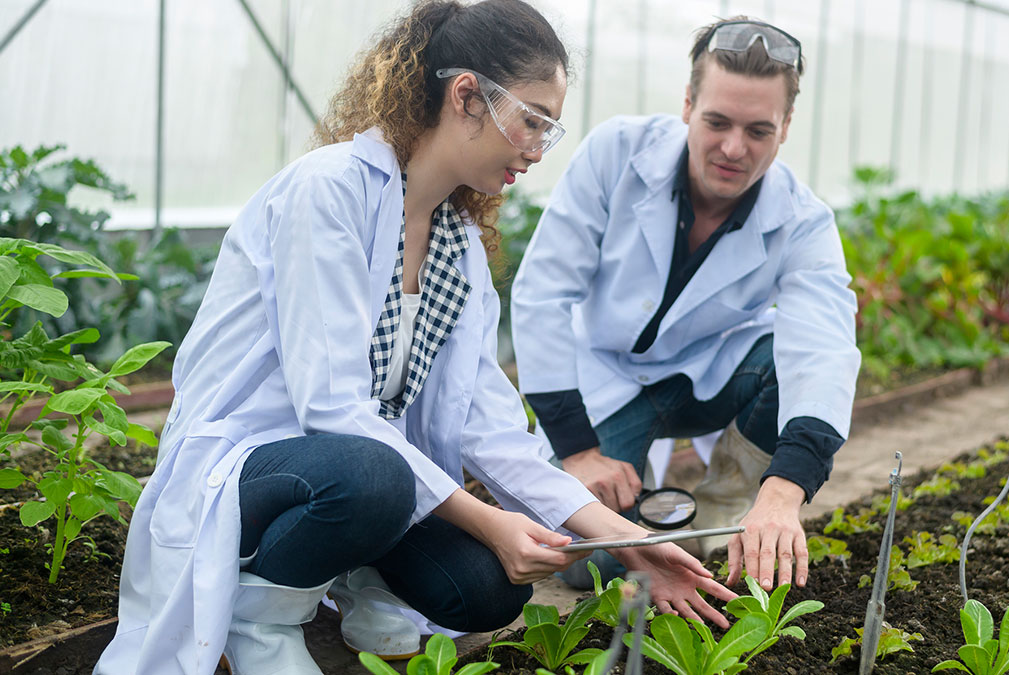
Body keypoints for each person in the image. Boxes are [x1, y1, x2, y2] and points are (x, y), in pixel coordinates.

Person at [94, 3, 735, 674]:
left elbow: (490, 430)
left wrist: (631, 541)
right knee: (377, 475)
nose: (538, 148)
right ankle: (263, 614)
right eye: (533, 119)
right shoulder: (331, 192)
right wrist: (490, 521)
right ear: (466, 96)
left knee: (488, 587)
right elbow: (330, 409)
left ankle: (346, 571)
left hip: (357, 484)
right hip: (258, 466)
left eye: (550, 127)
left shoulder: (455, 246)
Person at [511, 17, 861, 594]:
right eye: (717, 122)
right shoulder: (616, 154)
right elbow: (543, 293)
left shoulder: (802, 220)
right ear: (688, 104)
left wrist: (783, 492)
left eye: (758, 131)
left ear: (787, 126)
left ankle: (721, 513)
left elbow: (822, 349)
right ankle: (646, 503)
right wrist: (578, 452)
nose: (733, 148)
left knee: (784, 356)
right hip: (606, 374)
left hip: (707, 376)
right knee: (585, 561)